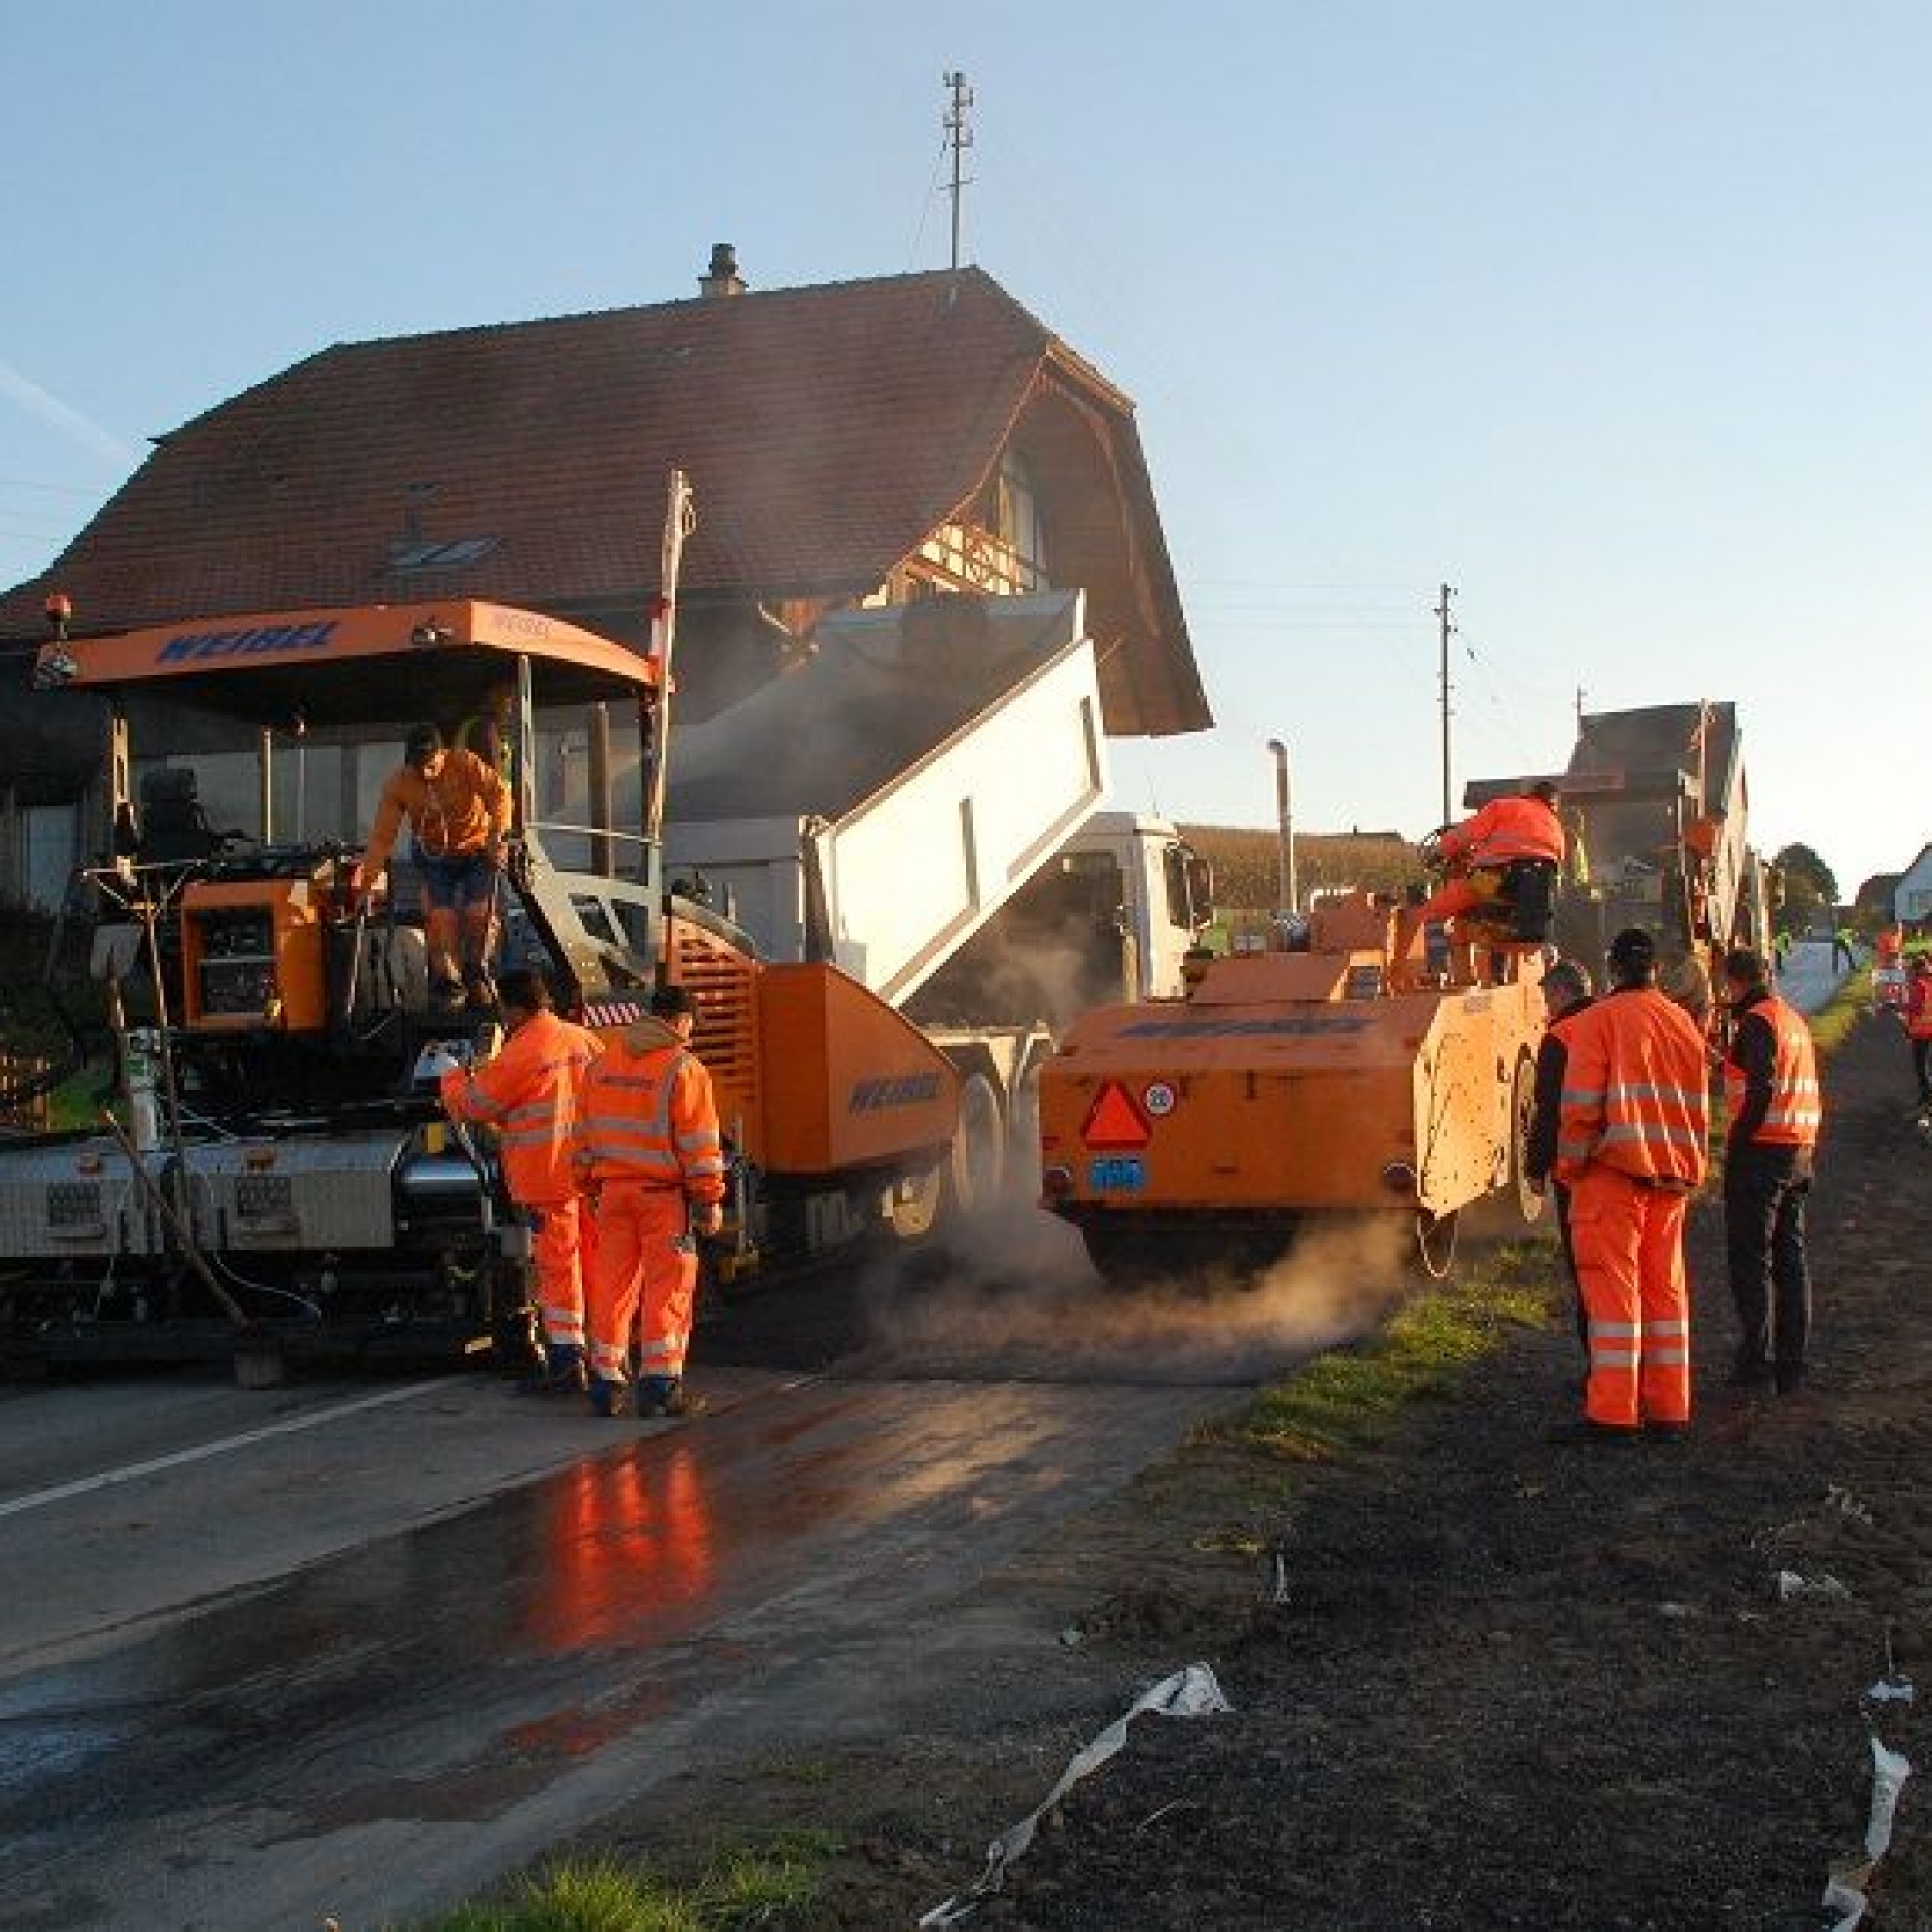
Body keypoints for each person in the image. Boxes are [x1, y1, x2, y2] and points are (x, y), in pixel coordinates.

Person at [1553, 926, 1711, 1442]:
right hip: (1672, 1179)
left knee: (1614, 1301)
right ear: (1655, 970)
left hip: (1613, 1179)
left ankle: (1614, 1415)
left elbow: (1578, 1113)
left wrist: (1569, 1169)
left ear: (1613, 969)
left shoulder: (1597, 1021)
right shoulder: (1683, 1025)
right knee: (1666, 1296)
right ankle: (1669, 1409)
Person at [439, 966, 603, 1393]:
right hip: (592, 1175)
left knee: (558, 1271)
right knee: (595, 1265)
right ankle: (605, 1357)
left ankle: (567, 1361)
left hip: (547, 1178)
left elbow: (475, 1105)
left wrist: (452, 1076)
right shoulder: (583, 1040)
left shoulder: (522, 1050)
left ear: (511, 1008)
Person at [574, 983, 726, 1419]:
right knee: (668, 1288)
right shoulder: (684, 1068)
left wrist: (585, 1183)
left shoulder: (602, 1063)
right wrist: (708, 1198)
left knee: (612, 1287)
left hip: (612, 1195)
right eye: (691, 1026)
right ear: (680, 1021)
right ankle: (659, 1385)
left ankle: (606, 1382)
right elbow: (699, 1145)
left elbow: (581, 1135)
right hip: (662, 1199)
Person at [1719, 947, 1821, 1398]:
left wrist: (1736, 1145)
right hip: (1798, 1152)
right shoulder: (1792, 1021)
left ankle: (1754, 1364)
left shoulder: (1757, 1021)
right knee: (1791, 1262)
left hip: (1762, 1154)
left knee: (1752, 1260)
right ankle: (1792, 1366)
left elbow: (1759, 1088)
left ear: (1735, 982)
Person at [358, 723, 511, 1008]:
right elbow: (382, 837)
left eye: (430, 764)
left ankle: (478, 974)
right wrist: (369, 884)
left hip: (478, 850)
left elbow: (498, 793)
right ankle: (448, 985)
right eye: (417, 766)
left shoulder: (465, 763)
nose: (424, 772)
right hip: (434, 856)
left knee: (478, 915)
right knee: (440, 919)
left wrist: (496, 836)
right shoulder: (399, 784)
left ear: (443, 753)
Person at [1524, 956, 1594, 1364]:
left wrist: (1534, 1169)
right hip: (1625, 1164)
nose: (1546, 1006)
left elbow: (1547, 1112)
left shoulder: (1560, 1037)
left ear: (1562, 992)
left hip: (1575, 1174)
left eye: (1548, 997)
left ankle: (1599, 1371)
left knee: (1587, 1272)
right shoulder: (1611, 1024)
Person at [1418, 781, 1566, 930]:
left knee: (1438, 909)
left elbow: (1465, 834)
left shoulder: (1503, 806)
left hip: (1497, 878)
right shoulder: (1555, 825)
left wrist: (1439, 853)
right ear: (1553, 804)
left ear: (1530, 795)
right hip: (1540, 887)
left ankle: (1435, 949)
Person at [454, 678, 517, 791]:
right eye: (508, 695)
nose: (511, 707)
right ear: (492, 697)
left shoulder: (476, 725)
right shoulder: (483, 728)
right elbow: (492, 777)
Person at [1903, 955, 1932, 1112]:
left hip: (1922, 1033)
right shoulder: (1926, 983)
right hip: (1923, 1031)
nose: (1908, 973)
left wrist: (1903, 1007)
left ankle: (1927, 1099)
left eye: (1911, 970)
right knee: (1923, 1066)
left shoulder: (1920, 986)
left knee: (1921, 1068)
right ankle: (1926, 1097)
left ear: (1916, 971)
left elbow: (1918, 1009)